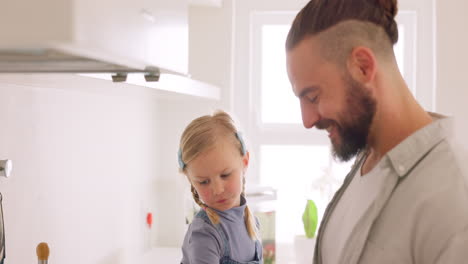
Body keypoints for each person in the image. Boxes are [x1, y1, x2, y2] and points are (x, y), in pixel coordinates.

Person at [285, 0, 468, 263]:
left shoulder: (455, 194)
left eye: (313, 97)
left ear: (362, 67)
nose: (307, 120)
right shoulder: (366, 163)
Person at [178, 110, 263, 264]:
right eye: (204, 182)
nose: (217, 189)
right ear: (191, 180)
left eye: (225, 175)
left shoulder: (251, 223)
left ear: (244, 162)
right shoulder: (204, 234)